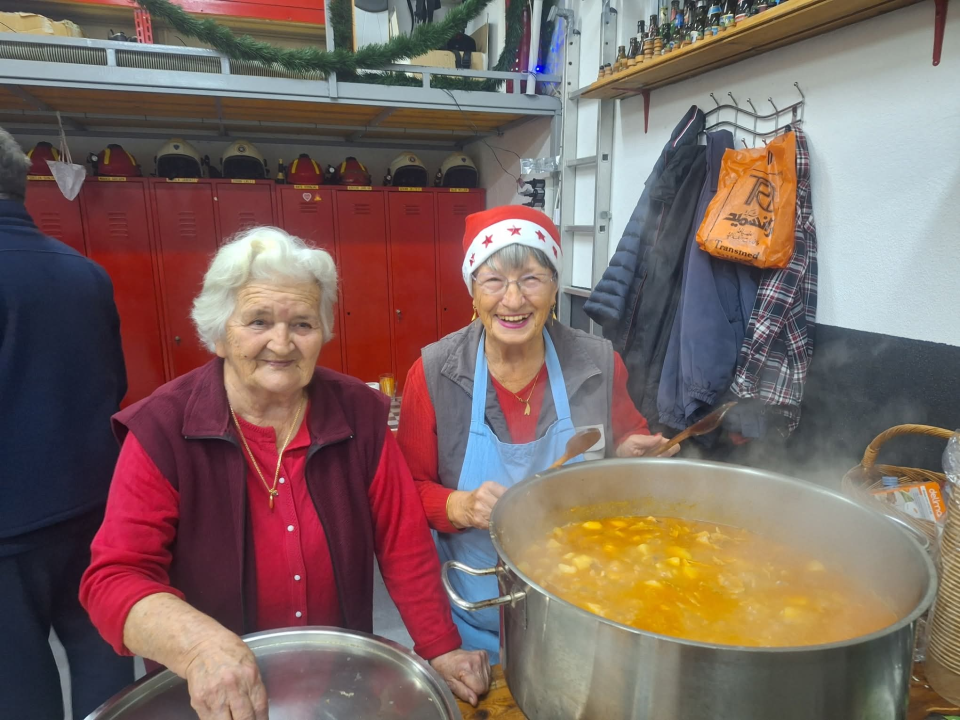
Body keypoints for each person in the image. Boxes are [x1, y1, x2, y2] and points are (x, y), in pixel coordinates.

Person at [80, 226, 490, 720]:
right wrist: (199, 647)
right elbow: (114, 578)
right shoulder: (163, 430)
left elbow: (403, 544)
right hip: (212, 697)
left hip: (337, 688)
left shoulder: (359, 415)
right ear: (219, 332)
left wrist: (440, 646)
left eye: (302, 323)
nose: (282, 342)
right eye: (258, 321)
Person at [398, 205, 679, 662]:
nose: (513, 300)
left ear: (553, 289)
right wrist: (459, 505)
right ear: (472, 289)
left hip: (584, 605)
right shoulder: (433, 373)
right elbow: (405, 493)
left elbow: (626, 444)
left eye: (531, 278)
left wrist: (632, 452)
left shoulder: (596, 363)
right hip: (476, 618)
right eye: (493, 281)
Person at [0, 127, 134, 719]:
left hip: (8, 532)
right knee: (103, 657)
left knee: (18, 685)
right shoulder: (87, 275)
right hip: (95, 506)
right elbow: (115, 387)